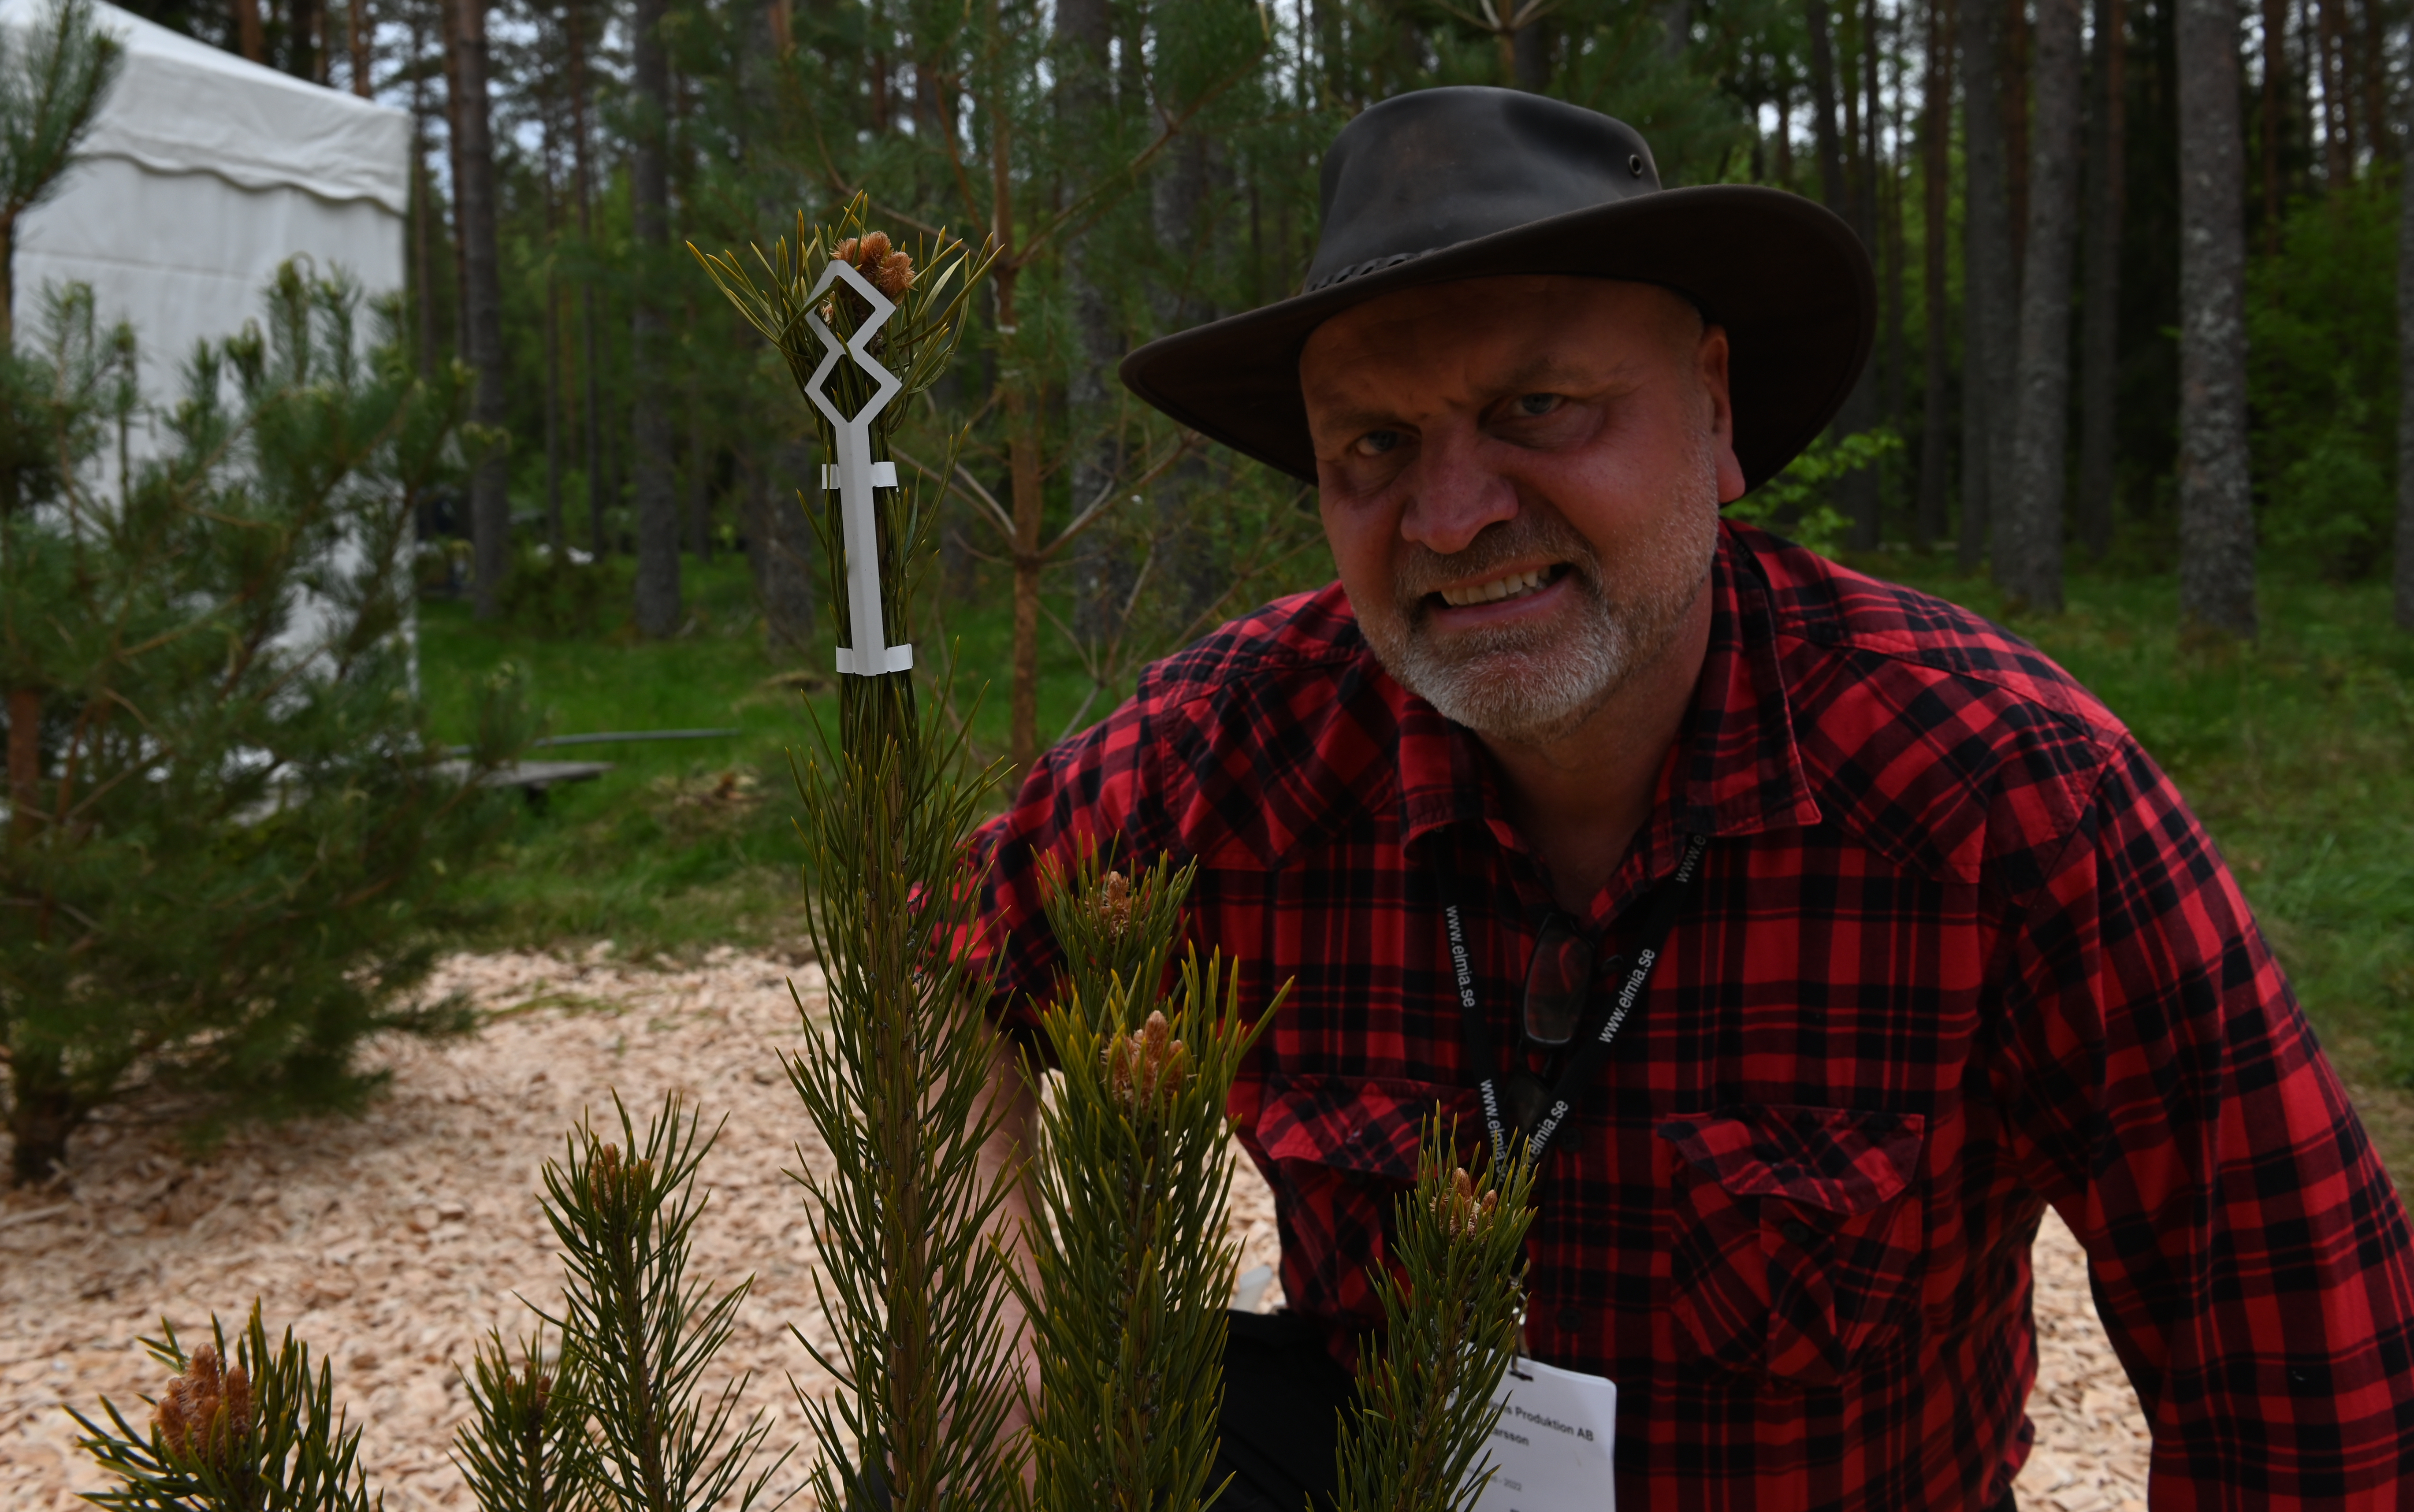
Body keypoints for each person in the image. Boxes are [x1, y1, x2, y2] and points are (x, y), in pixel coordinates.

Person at [971, 86, 2414, 1509]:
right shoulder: (1245, 743)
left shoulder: (2001, 791)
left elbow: (2308, 1381)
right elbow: (939, 962)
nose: (1453, 516)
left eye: (1538, 407)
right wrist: (999, 1339)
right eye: (1375, 445)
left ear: (1714, 408)